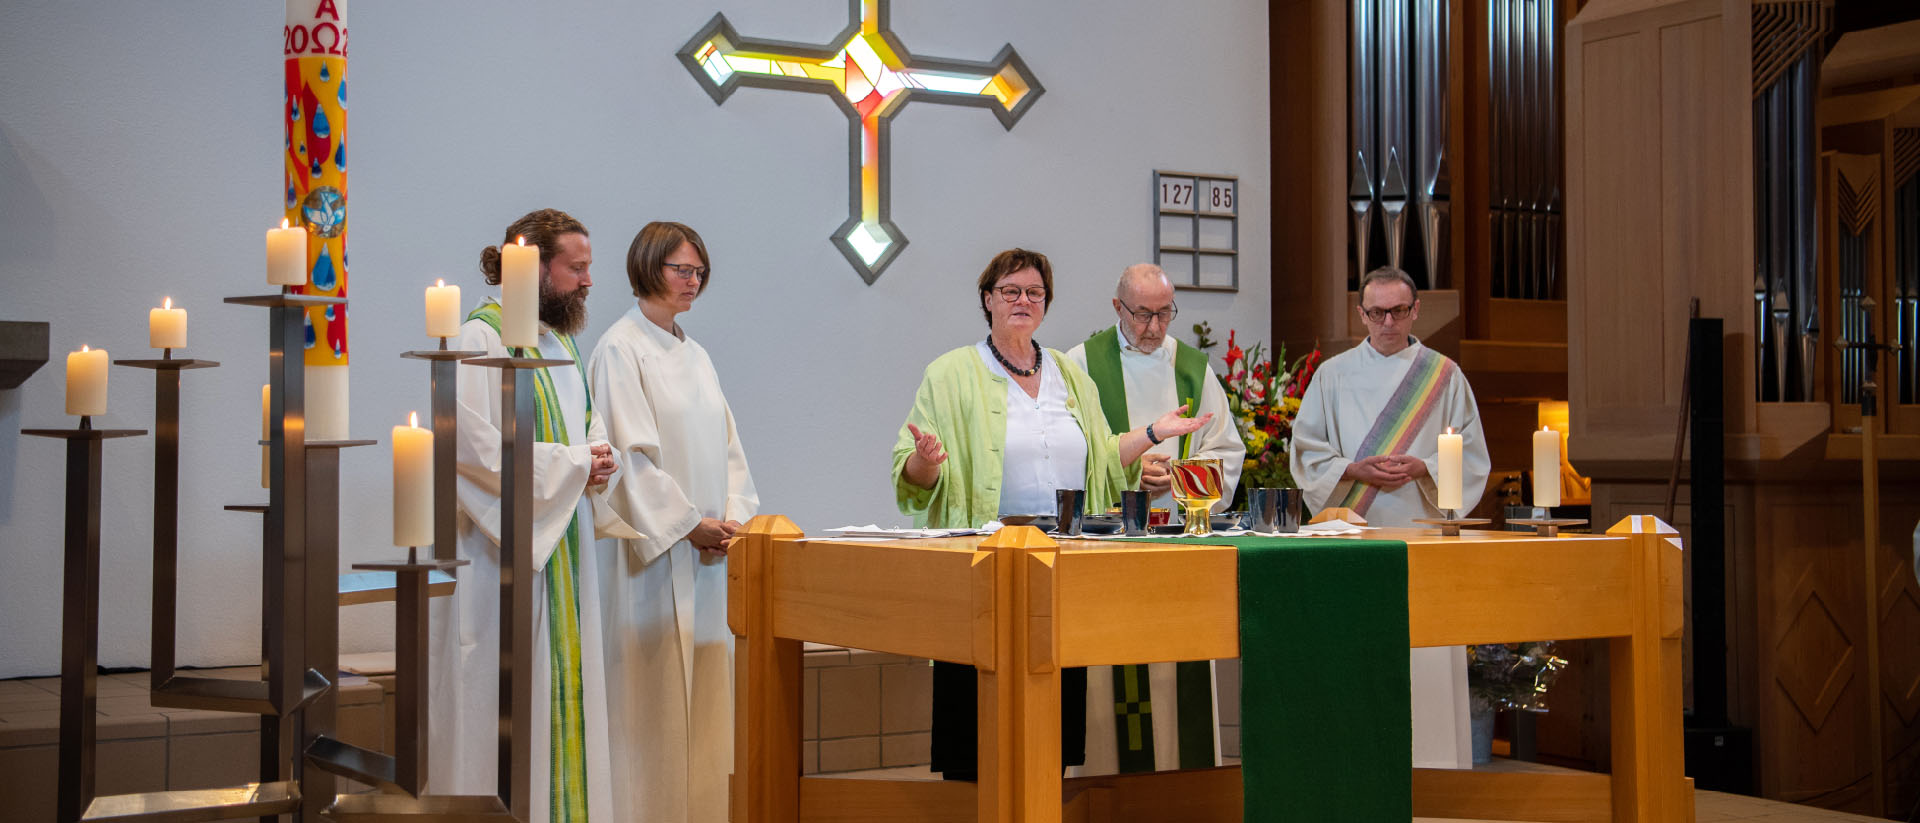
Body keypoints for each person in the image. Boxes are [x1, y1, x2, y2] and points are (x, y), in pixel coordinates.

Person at [892, 248, 1212, 781]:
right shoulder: (949, 374)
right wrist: (926, 462)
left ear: (1046, 304)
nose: (1023, 300)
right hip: (987, 564)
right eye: (1011, 291)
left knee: (1052, 732)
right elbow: (916, 476)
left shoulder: (1066, 371)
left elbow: (1104, 459)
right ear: (987, 299)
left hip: (1062, 560)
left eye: (1035, 292)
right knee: (978, 729)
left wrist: (1154, 433)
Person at [432, 208, 623, 821]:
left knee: (561, 698)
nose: (588, 280)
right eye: (577, 268)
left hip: (564, 548)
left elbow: (586, 426)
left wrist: (598, 459)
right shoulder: (478, 339)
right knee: (497, 698)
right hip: (499, 558)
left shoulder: (563, 343)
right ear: (535, 268)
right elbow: (470, 448)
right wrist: (573, 463)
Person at [1289, 265, 1491, 768]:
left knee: (1424, 652)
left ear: (1415, 311)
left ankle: (1437, 765)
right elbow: (1306, 450)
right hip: (1352, 535)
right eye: (1376, 312)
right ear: (1361, 314)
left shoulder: (1444, 376)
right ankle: (1355, 763)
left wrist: (1426, 466)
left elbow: (1472, 454)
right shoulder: (1332, 375)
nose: (1387, 322)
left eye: (1398, 311)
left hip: (1422, 534)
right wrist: (1352, 468)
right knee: (1358, 657)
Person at [589, 221, 757, 822]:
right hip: (653, 561)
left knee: (707, 704)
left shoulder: (696, 351)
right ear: (646, 267)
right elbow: (628, 456)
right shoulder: (620, 347)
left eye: (699, 272)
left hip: (709, 559)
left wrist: (732, 521)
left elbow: (730, 447)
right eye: (681, 269)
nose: (693, 281)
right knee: (654, 706)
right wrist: (688, 525)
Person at [1065, 262, 1244, 775]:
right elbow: (1068, 449)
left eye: (1165, 314)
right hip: (1107, 549)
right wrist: (1130, 467)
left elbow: (1226, 451)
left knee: (1175, 674)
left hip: (1176, 546)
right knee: (1107, 675)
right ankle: (1100, 789)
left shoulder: (1191, 366)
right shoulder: (1081, 364)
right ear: (1117, 308)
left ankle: (1182, 790)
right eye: (1143, 315)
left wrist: (1183, 476)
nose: (1155, 328)